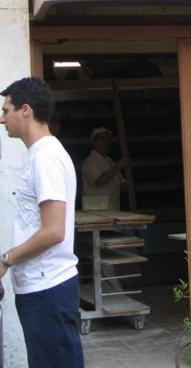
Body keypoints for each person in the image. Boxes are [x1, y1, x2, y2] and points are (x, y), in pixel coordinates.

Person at [0, 76, 84, 368]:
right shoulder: (40, 154)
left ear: (25, 110)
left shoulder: (45, 158)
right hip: (41, 289)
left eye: (6, 110)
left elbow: (54, 230)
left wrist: (6, 260)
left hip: (48, 288)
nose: (2, 119)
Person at [81, 127, 128, 211]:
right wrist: (119, 165)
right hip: (96, 212)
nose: (106, 142)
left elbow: (122, 185)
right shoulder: (90, 161)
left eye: (108, 139)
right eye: (102, 139)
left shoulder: (110, 162)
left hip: (112, 209)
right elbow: (99, 181)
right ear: (94, 142)